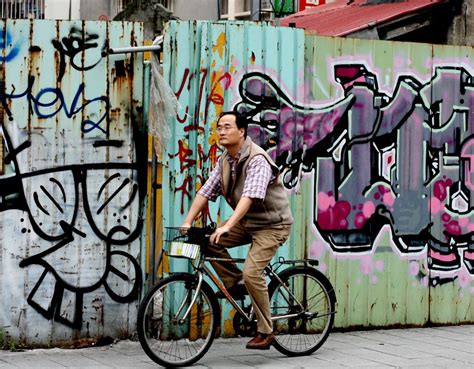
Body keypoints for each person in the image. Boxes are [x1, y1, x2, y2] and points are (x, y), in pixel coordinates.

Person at [181, 111, 293, 350]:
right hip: (248, 223)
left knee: (253, 273)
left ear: (242, 131)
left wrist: (228, 225)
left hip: (272, 224)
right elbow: (205, 191)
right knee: (208, 241)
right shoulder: (225, 160)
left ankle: (266, 330)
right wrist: (188, 221)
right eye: (219, 127)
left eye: (227, 127)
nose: (221, 131)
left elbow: (250, 196)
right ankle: (235, 282)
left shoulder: (257, 159)